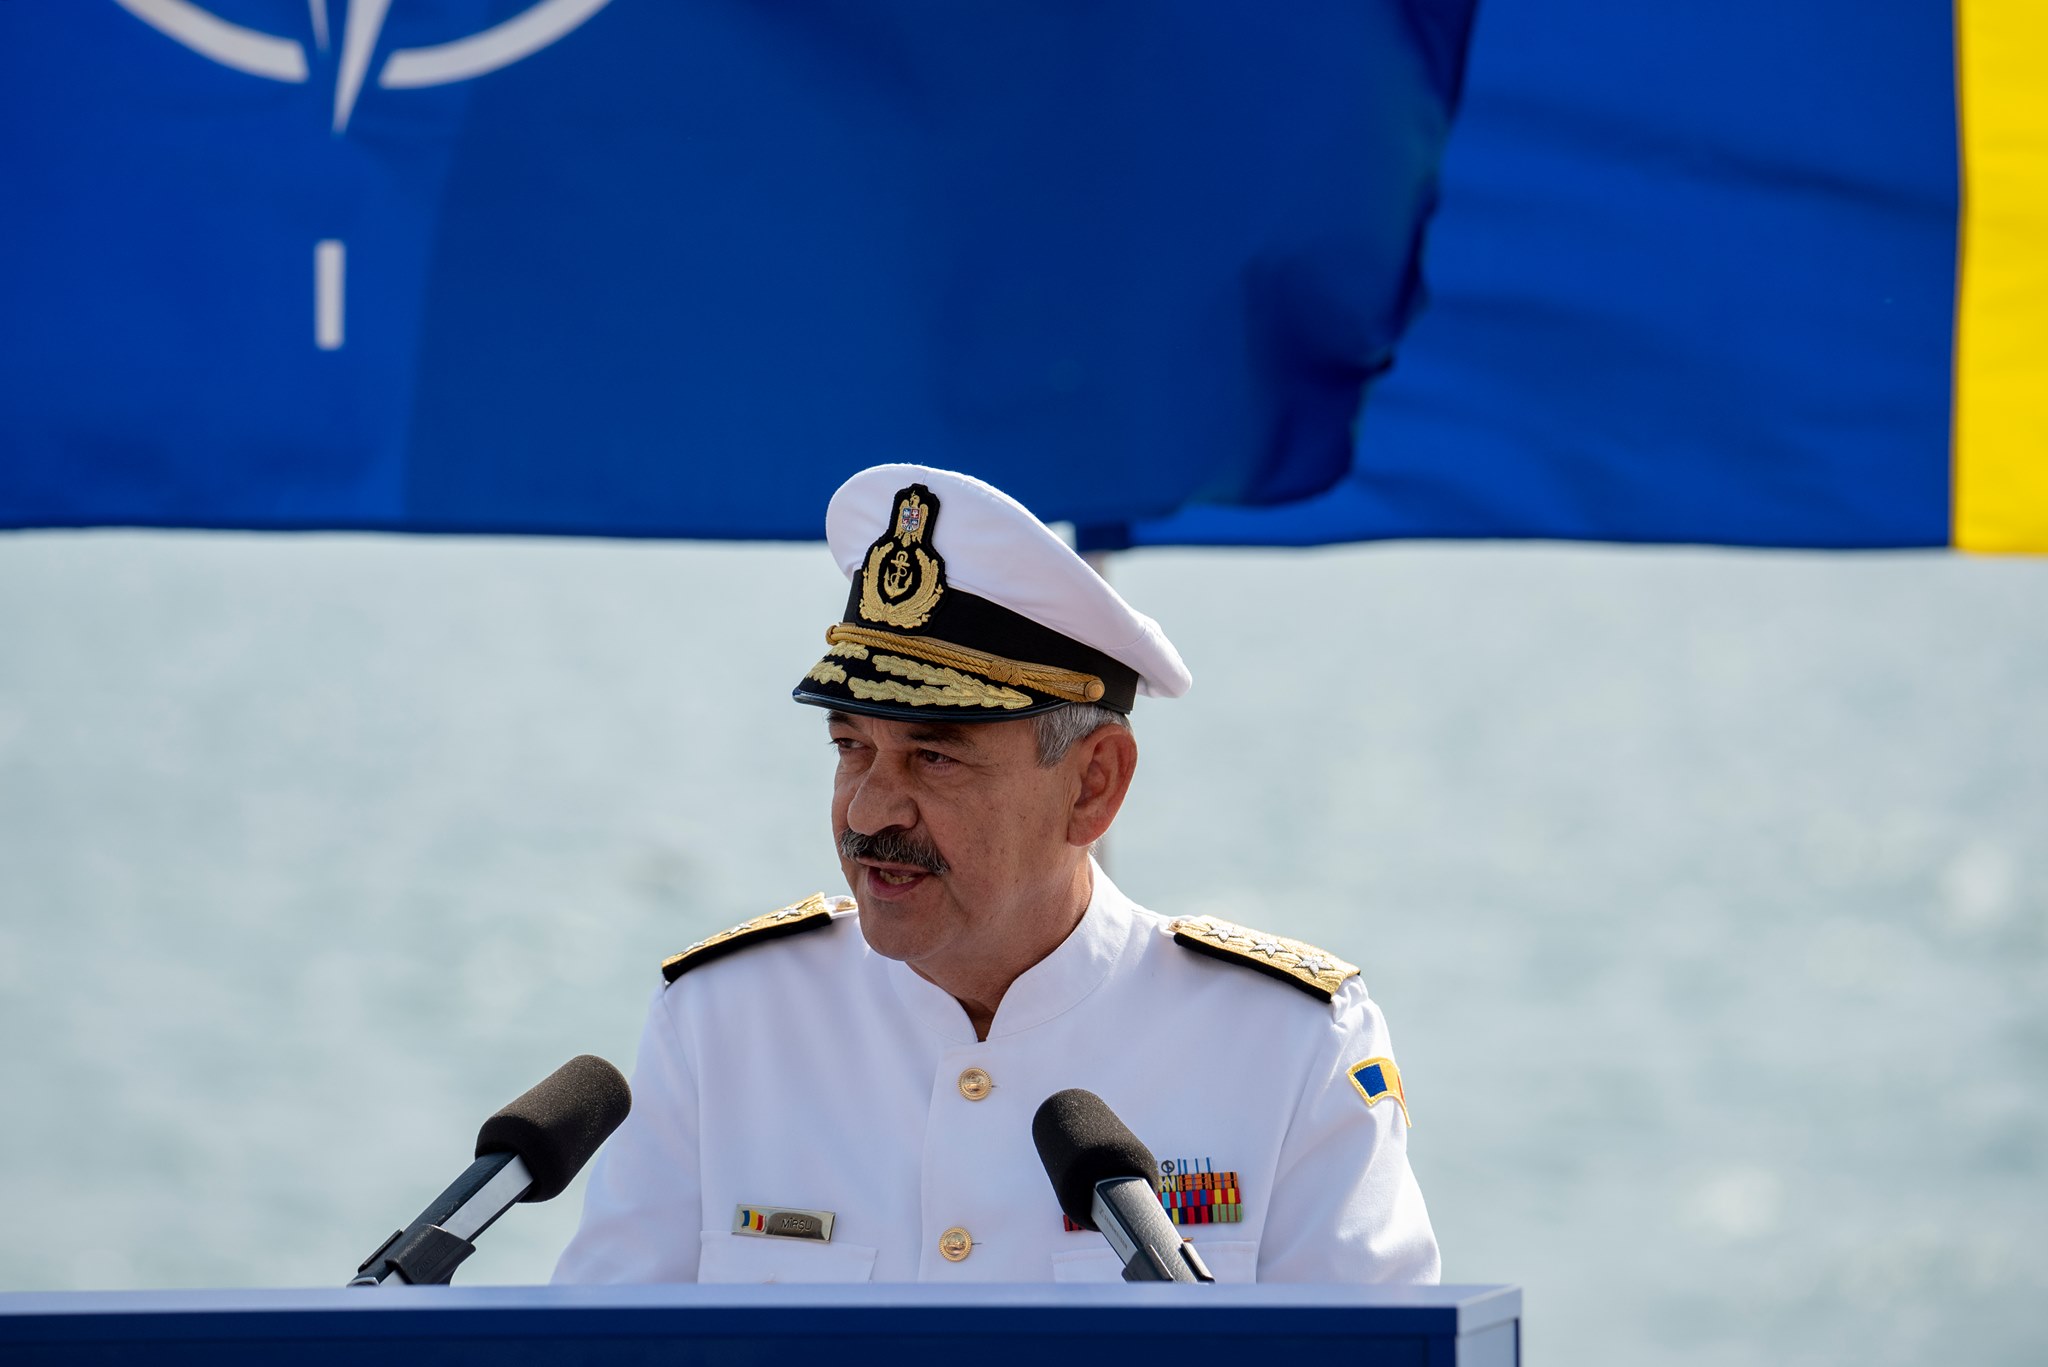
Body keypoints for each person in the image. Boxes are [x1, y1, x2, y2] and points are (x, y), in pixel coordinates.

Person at [552, 464, 1437, 1284]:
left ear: (1093, 784)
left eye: (934, 758)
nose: (869, 811)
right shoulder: (722, 1025)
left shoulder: (1287, 1047)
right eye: (850, 747)